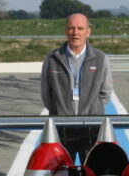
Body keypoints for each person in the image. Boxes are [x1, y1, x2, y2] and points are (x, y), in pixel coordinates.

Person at [40, 13, 113, 163]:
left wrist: (92, 110)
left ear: (88, 31)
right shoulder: (52, 58)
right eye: (71, 28)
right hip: (62, 129)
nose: (75, 33)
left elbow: (105, 93)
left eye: (80, 28)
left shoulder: (100, 58)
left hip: (91, 129)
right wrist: (59, 111)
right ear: (66, 31)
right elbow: (46, 94)